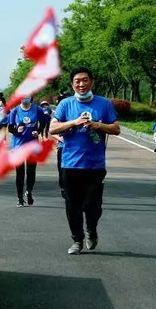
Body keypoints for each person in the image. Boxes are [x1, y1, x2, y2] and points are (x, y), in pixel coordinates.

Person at [50, 67, 120, 255]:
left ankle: (92, 230)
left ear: (91, 81)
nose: (81, 84)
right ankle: (77, 240)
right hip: (70, 164)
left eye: (85, 80)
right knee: (72, 206)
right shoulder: (65, 104)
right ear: (72, 84)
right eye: (77, 81)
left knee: (93, 206)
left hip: (95, 165)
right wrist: (74, 123)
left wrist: (97, 125)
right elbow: (52, 128)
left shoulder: (103, 104)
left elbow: (116, 128)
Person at [7, 96, 48, 207]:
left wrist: (38, 131)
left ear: (31, 98)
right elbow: (10, 128)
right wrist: (17, 131)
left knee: (31, 172)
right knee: (19, 173)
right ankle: (20, 198)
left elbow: (44, 122)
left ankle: (29, 191)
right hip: (18, 146)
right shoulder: (15, 111)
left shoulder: (37, 109)